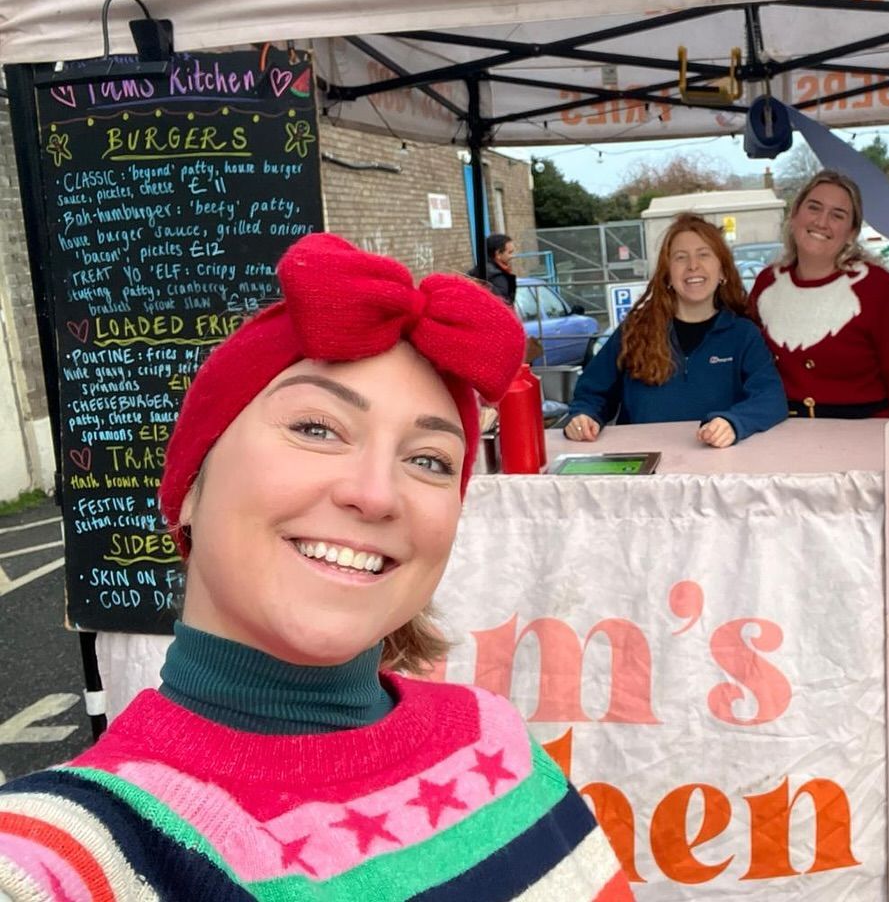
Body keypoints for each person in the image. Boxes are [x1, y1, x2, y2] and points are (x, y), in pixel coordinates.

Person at [0, 234, 633, 901]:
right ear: (188, 485)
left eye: (428, 460)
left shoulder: (493, 736)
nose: (376, 494)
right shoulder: (80, 849)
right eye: (315, 428)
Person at [564, 214, 785, 448]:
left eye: (704, 254)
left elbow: (770, 398)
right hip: (645, 462)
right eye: (681, 257)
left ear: (722, 271)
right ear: (667, 274)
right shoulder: (635, 330)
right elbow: (592, 392)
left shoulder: (743, 334)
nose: (693, 266)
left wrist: (734, 422)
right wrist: (584, 416)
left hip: (718, 464)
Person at [749, 169, 889, 419]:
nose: (821, 222)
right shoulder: (767, 283)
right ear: (795, 215)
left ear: (852, 233)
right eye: (814, 208)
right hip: (781, 430)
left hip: (864, 434)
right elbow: (748, 367)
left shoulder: (880, 288)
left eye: (837, 215)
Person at [470, 232, 517, 306]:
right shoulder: (497, 277)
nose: (512, 256)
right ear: (498, 254)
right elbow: (504, 305)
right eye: (510, 252)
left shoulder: (478, 270)